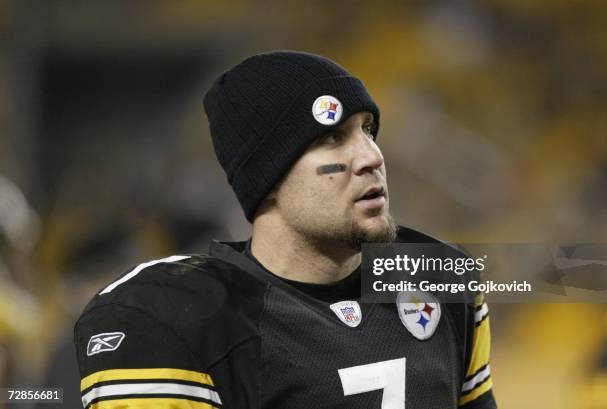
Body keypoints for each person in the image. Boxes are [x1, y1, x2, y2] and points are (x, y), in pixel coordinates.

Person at [74, 51, 496, 409]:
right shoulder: (174, 316)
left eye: (368, 130)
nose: (371, 156)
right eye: (333, 137)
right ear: (267, 177)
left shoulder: (438, 277)